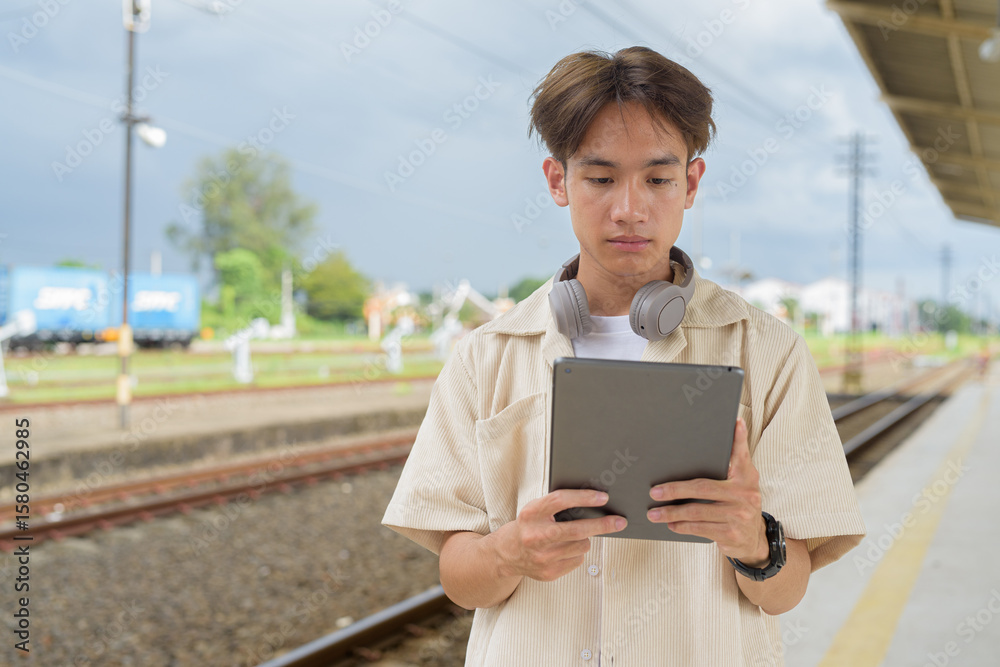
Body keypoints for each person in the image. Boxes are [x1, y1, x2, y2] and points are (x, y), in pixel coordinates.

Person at [382, 46, 866, 666]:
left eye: (658, 179)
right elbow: (459, 578)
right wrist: (508, 553)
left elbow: (785, 592)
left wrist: (754, 542)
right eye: (601, 177)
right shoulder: (487, 355)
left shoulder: (768, 351)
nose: (629, 209)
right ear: (558, 181)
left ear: (691, 183)